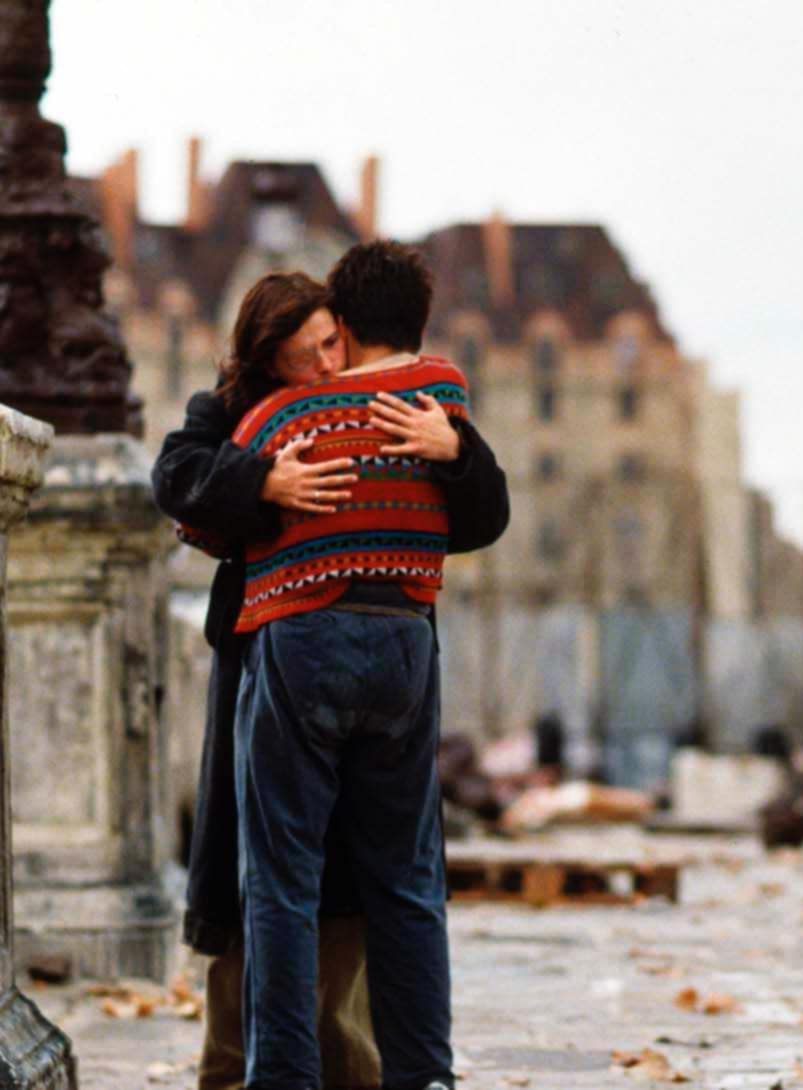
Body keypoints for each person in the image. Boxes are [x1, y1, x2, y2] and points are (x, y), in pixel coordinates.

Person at [151, 266, 506, 1089]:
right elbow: (176, 480)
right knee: (295, 884)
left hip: (318, 645)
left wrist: (454, 452)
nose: (326, 364)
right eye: (308, 352)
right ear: (267, 357)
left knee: (314, 882)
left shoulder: (410, 410)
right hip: (270, 657)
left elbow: (484, 511)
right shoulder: (236, 412)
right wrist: (263, 480)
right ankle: (278, 1070)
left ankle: (324, 1074)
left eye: (332, 343)